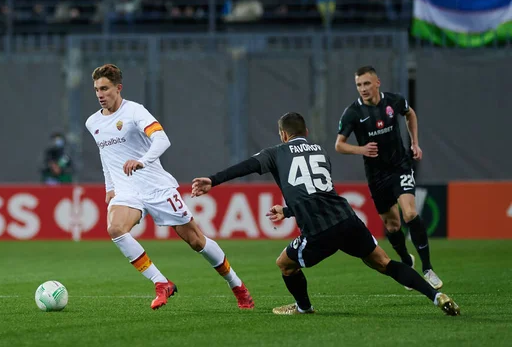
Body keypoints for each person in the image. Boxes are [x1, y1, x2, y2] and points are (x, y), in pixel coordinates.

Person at [192, 112, 460, 316]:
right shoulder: (320, 151)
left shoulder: (277, 152)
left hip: (319, 230)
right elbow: (316, 192)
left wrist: (213, 181)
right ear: (306, 132)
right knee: (385, 263)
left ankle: (303, 307)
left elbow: (247, 166)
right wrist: (287, 211)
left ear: (283, 135)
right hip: (347, 219)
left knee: (284, 264)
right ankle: (436, 297)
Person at [85, 64, 254, 310]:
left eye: (105, 88)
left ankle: (237, 285)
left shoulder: (135, 112)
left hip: (156, 187)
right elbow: (106, 155)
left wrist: (142, 161)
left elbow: (162, 139)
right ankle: (161, 283)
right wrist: (109, 187)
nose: (100, 94)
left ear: (118, 88)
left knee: (196, 241)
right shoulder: (93, 122)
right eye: (96, 89)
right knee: (115, 228)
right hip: (127, 190)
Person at [335, 65, 443, 290]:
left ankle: (428, 268)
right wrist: (361, 149)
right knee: (392, 226)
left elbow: (410, 113)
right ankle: (406, 261)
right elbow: (339, 145)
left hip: (399, 167)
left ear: (377, 83)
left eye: (366, 83)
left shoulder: (394, 101)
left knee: (410, 213)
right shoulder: (352, 113)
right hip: (376, 176)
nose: (362, 89)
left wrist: (414, 142)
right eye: (358, 85)